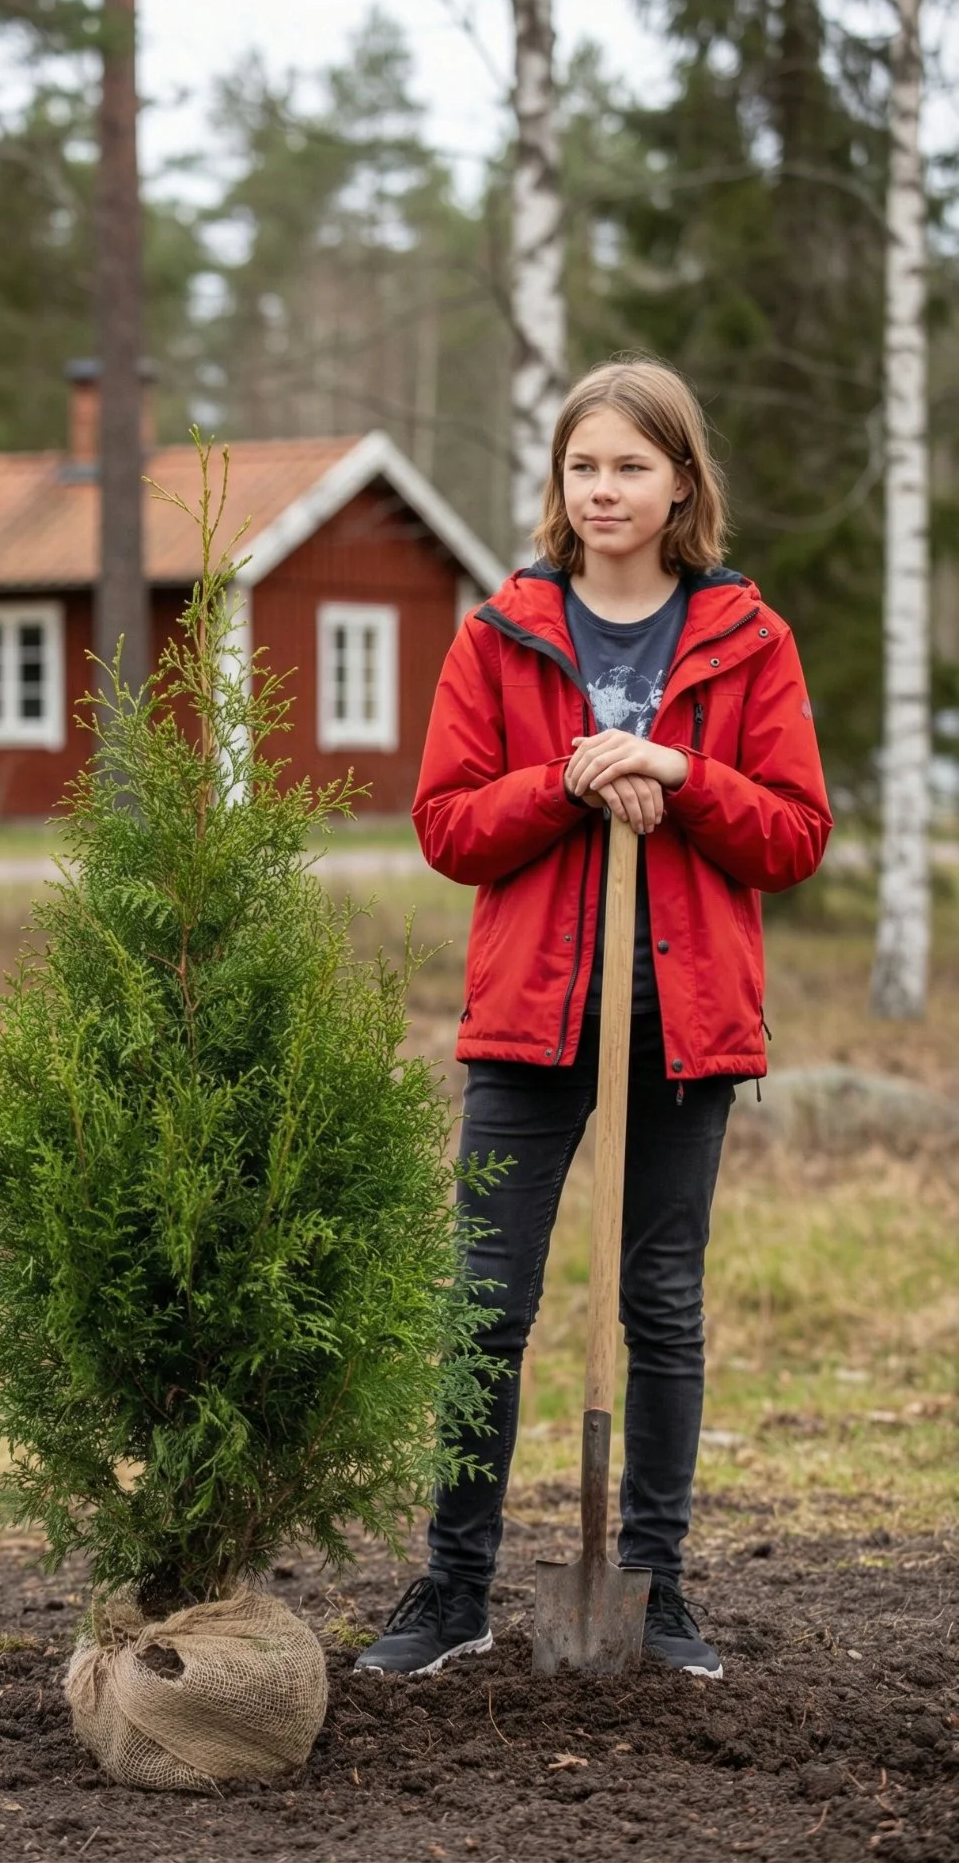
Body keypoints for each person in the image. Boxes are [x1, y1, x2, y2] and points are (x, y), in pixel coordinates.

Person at [357, 356, 831, 1681]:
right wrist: (567, 782)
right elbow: (449, 826)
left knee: (660, 1308)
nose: (606, 489)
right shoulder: (500, 632)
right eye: (585, 466)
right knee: (487, 1310)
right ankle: (453, 1588)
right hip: (528, 1025)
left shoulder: (751, 640)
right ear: (558, 484)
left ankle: (655, 1590)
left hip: (682, 1028)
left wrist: (681, 772)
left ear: (682, 481)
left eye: (633, 465)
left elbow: (794, 837)